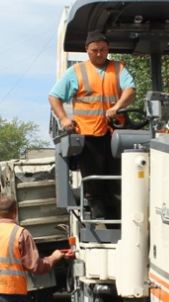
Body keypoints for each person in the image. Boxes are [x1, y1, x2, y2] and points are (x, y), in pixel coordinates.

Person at [48, 32, 136, 220]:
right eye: (94, 50)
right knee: (94, 181)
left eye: (103, 49)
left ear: (108, 49)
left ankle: (120, 218)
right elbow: (54, 96)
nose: (99, 54)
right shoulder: (76, 72)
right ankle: (100, 218)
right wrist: (64, 118)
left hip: (116, 134)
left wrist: (118, 106)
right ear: (87, 50)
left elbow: (130, 90)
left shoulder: (119, 68)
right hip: (88, 135)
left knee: (119, 179)